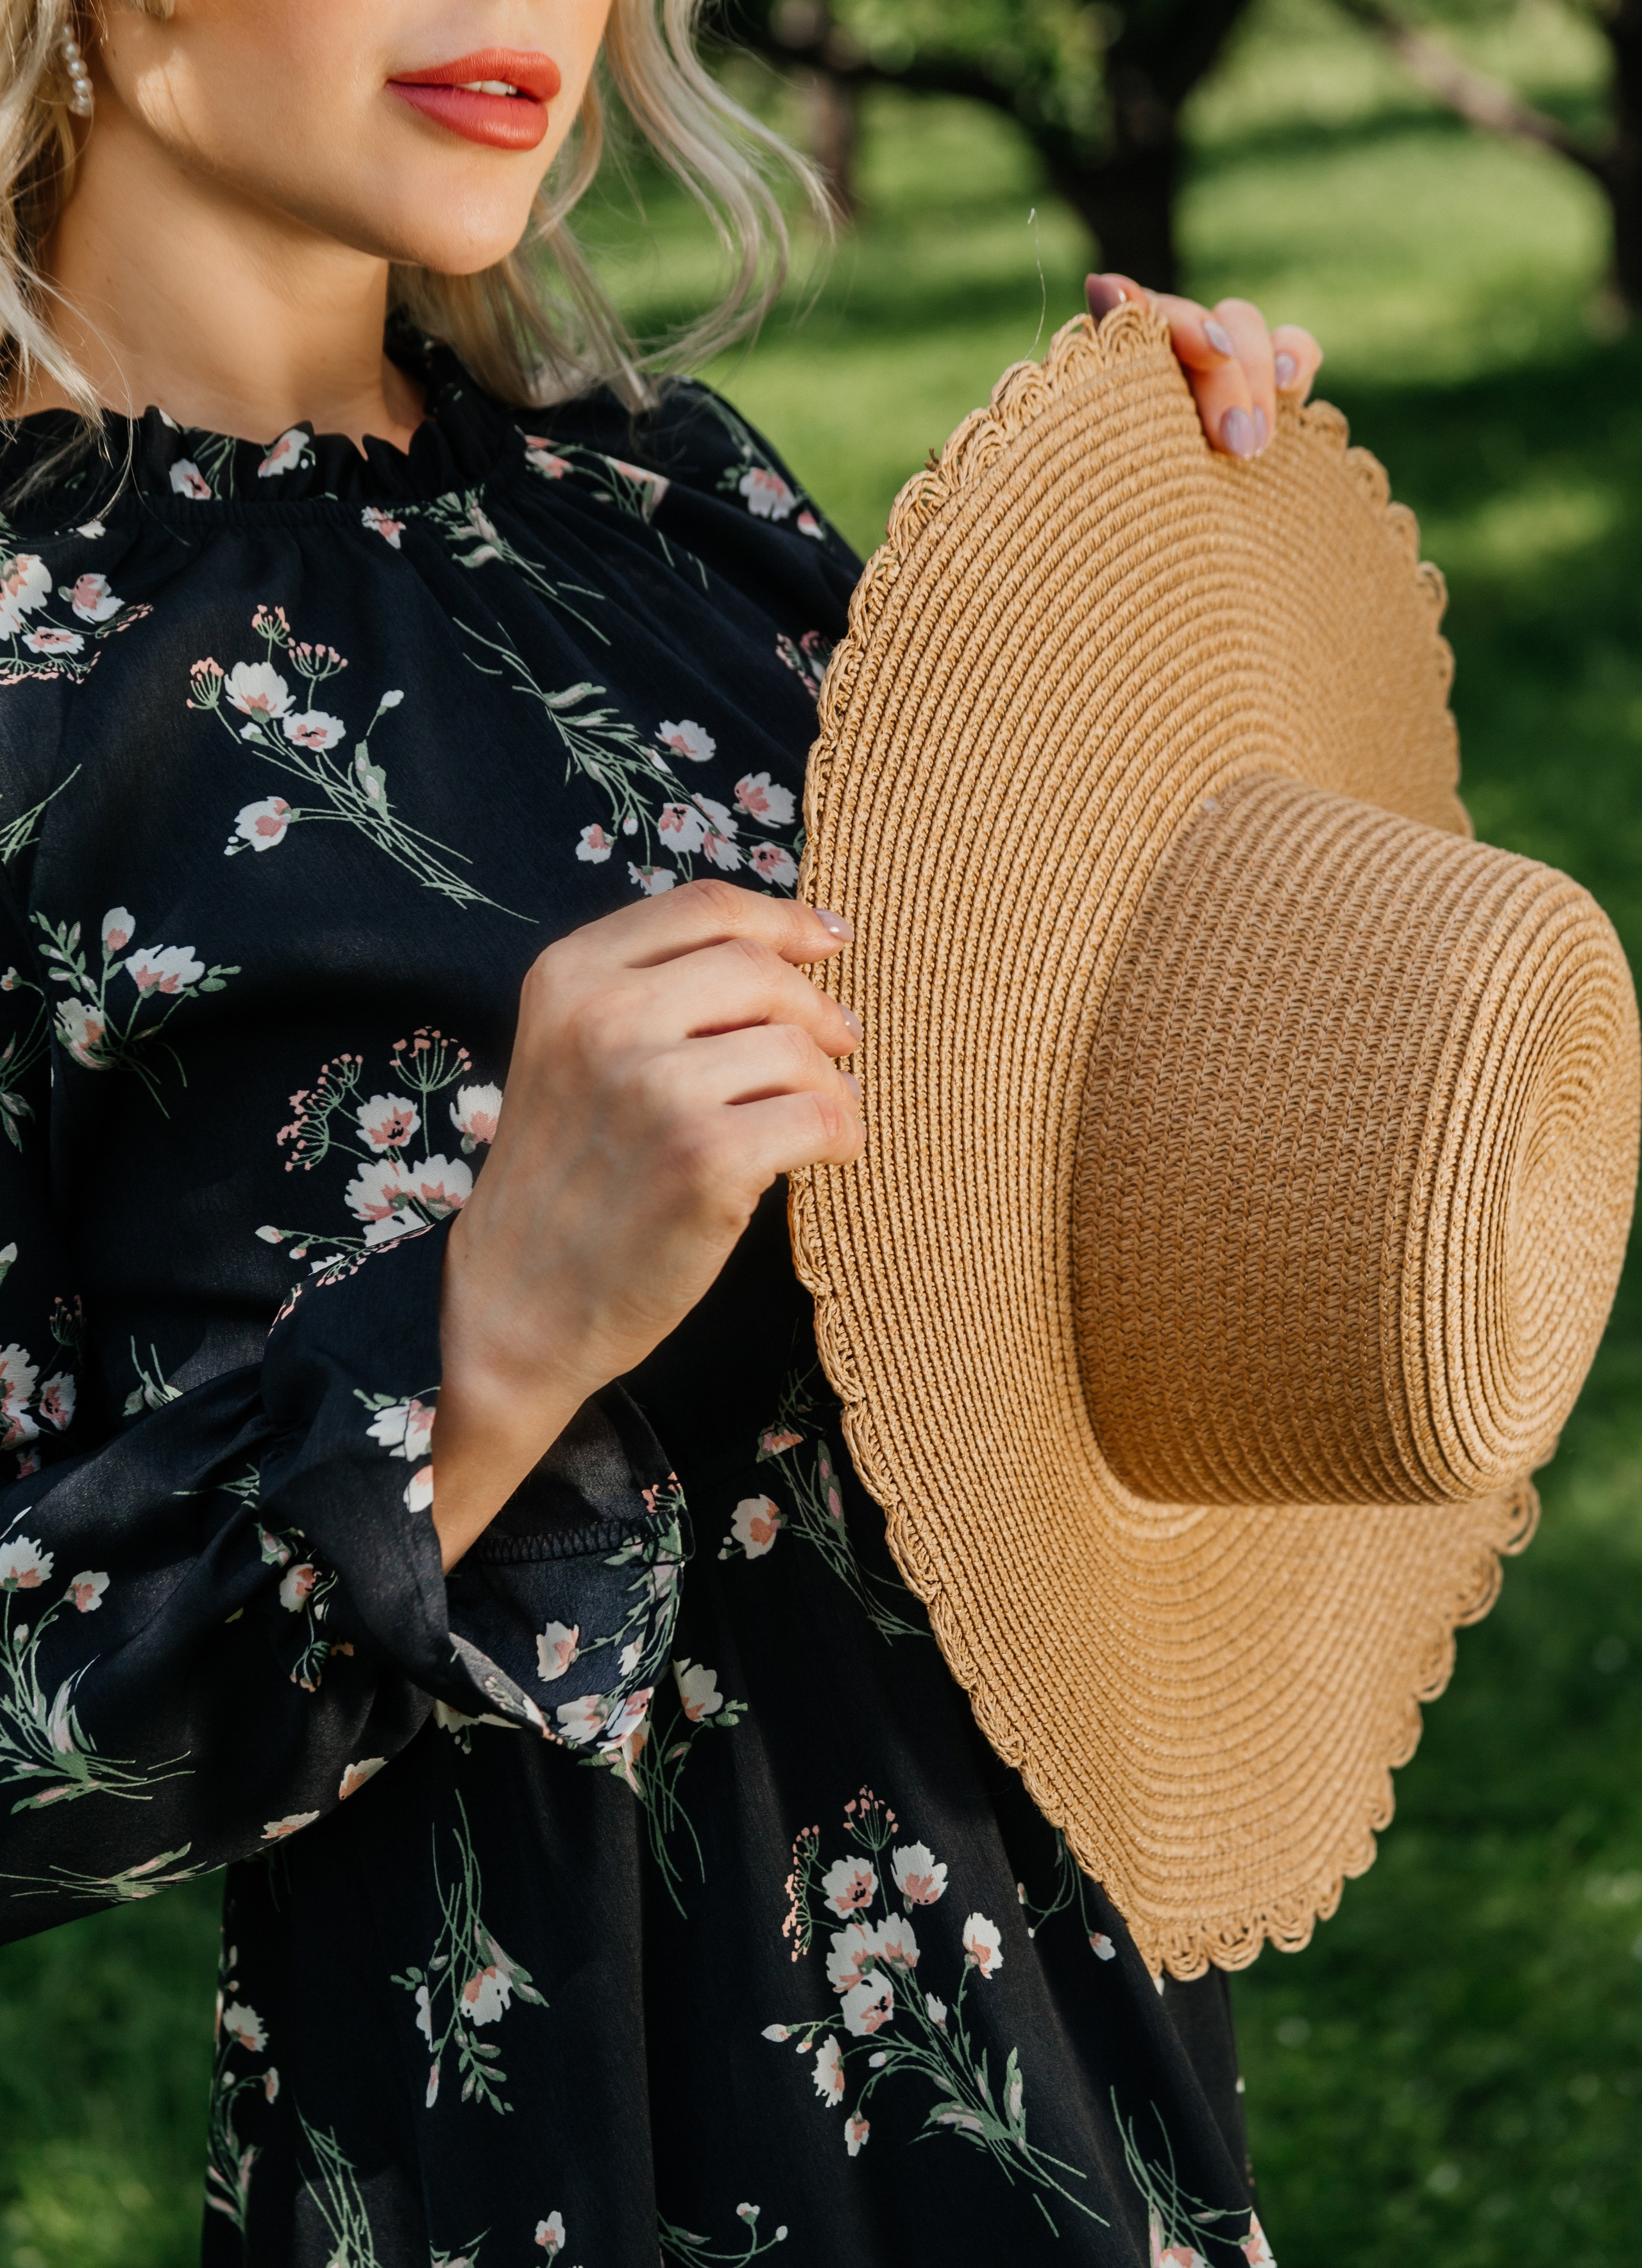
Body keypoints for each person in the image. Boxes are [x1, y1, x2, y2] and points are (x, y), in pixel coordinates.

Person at [0, 4, 1321, 2260]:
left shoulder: (668, 502)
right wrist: (484, 1347)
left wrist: (1156, 606)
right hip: (579, 2151)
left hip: (1068, 2077)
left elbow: (1010, 1219)